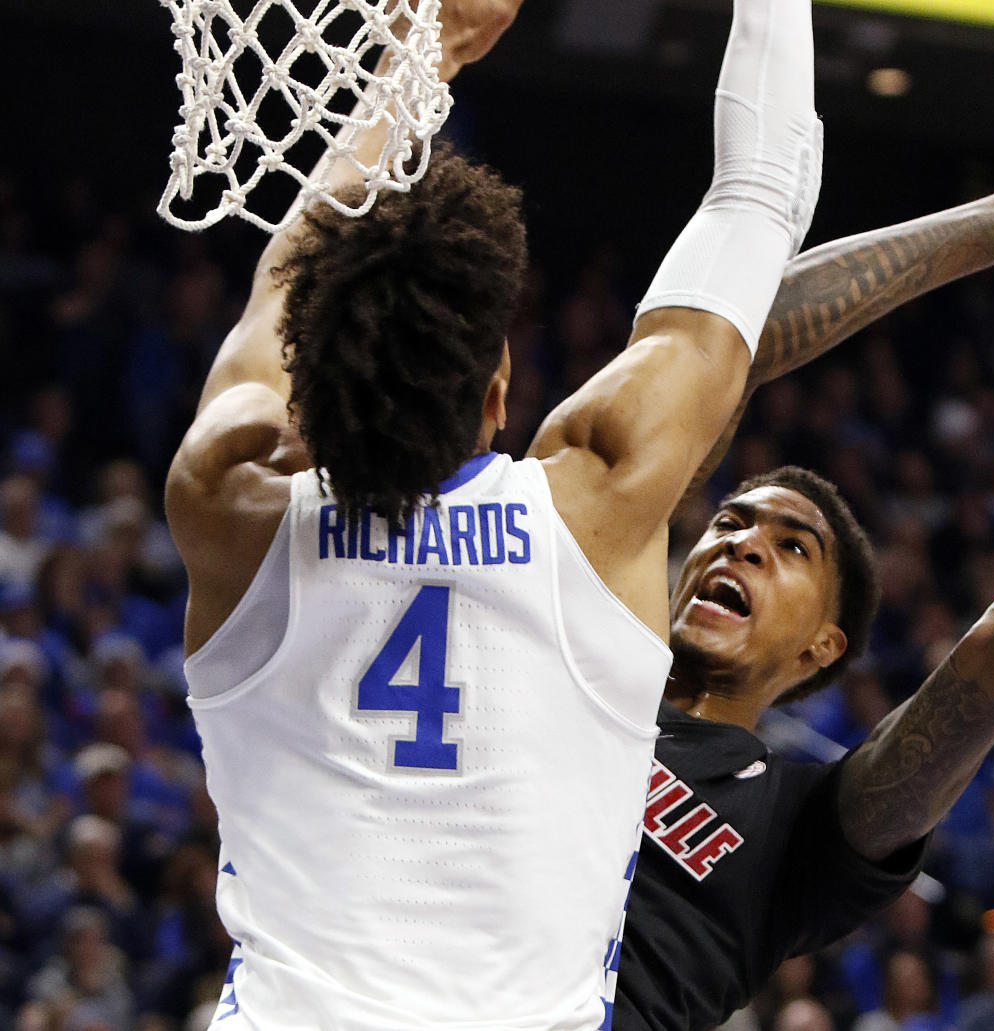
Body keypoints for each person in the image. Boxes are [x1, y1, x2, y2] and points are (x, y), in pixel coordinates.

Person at [163, 0, 826, 1027]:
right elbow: (760, 195)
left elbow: (284, 289)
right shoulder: (597, 498)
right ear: (498, 391)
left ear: (311, 380)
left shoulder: (230, 504)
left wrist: (422, 56)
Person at [611, 135, 994, 1031]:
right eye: (730, 520)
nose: (743, 542)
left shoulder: (800, 825)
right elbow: (714, 359)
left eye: (794, 547)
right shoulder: (579, 644)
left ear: (824, 645)